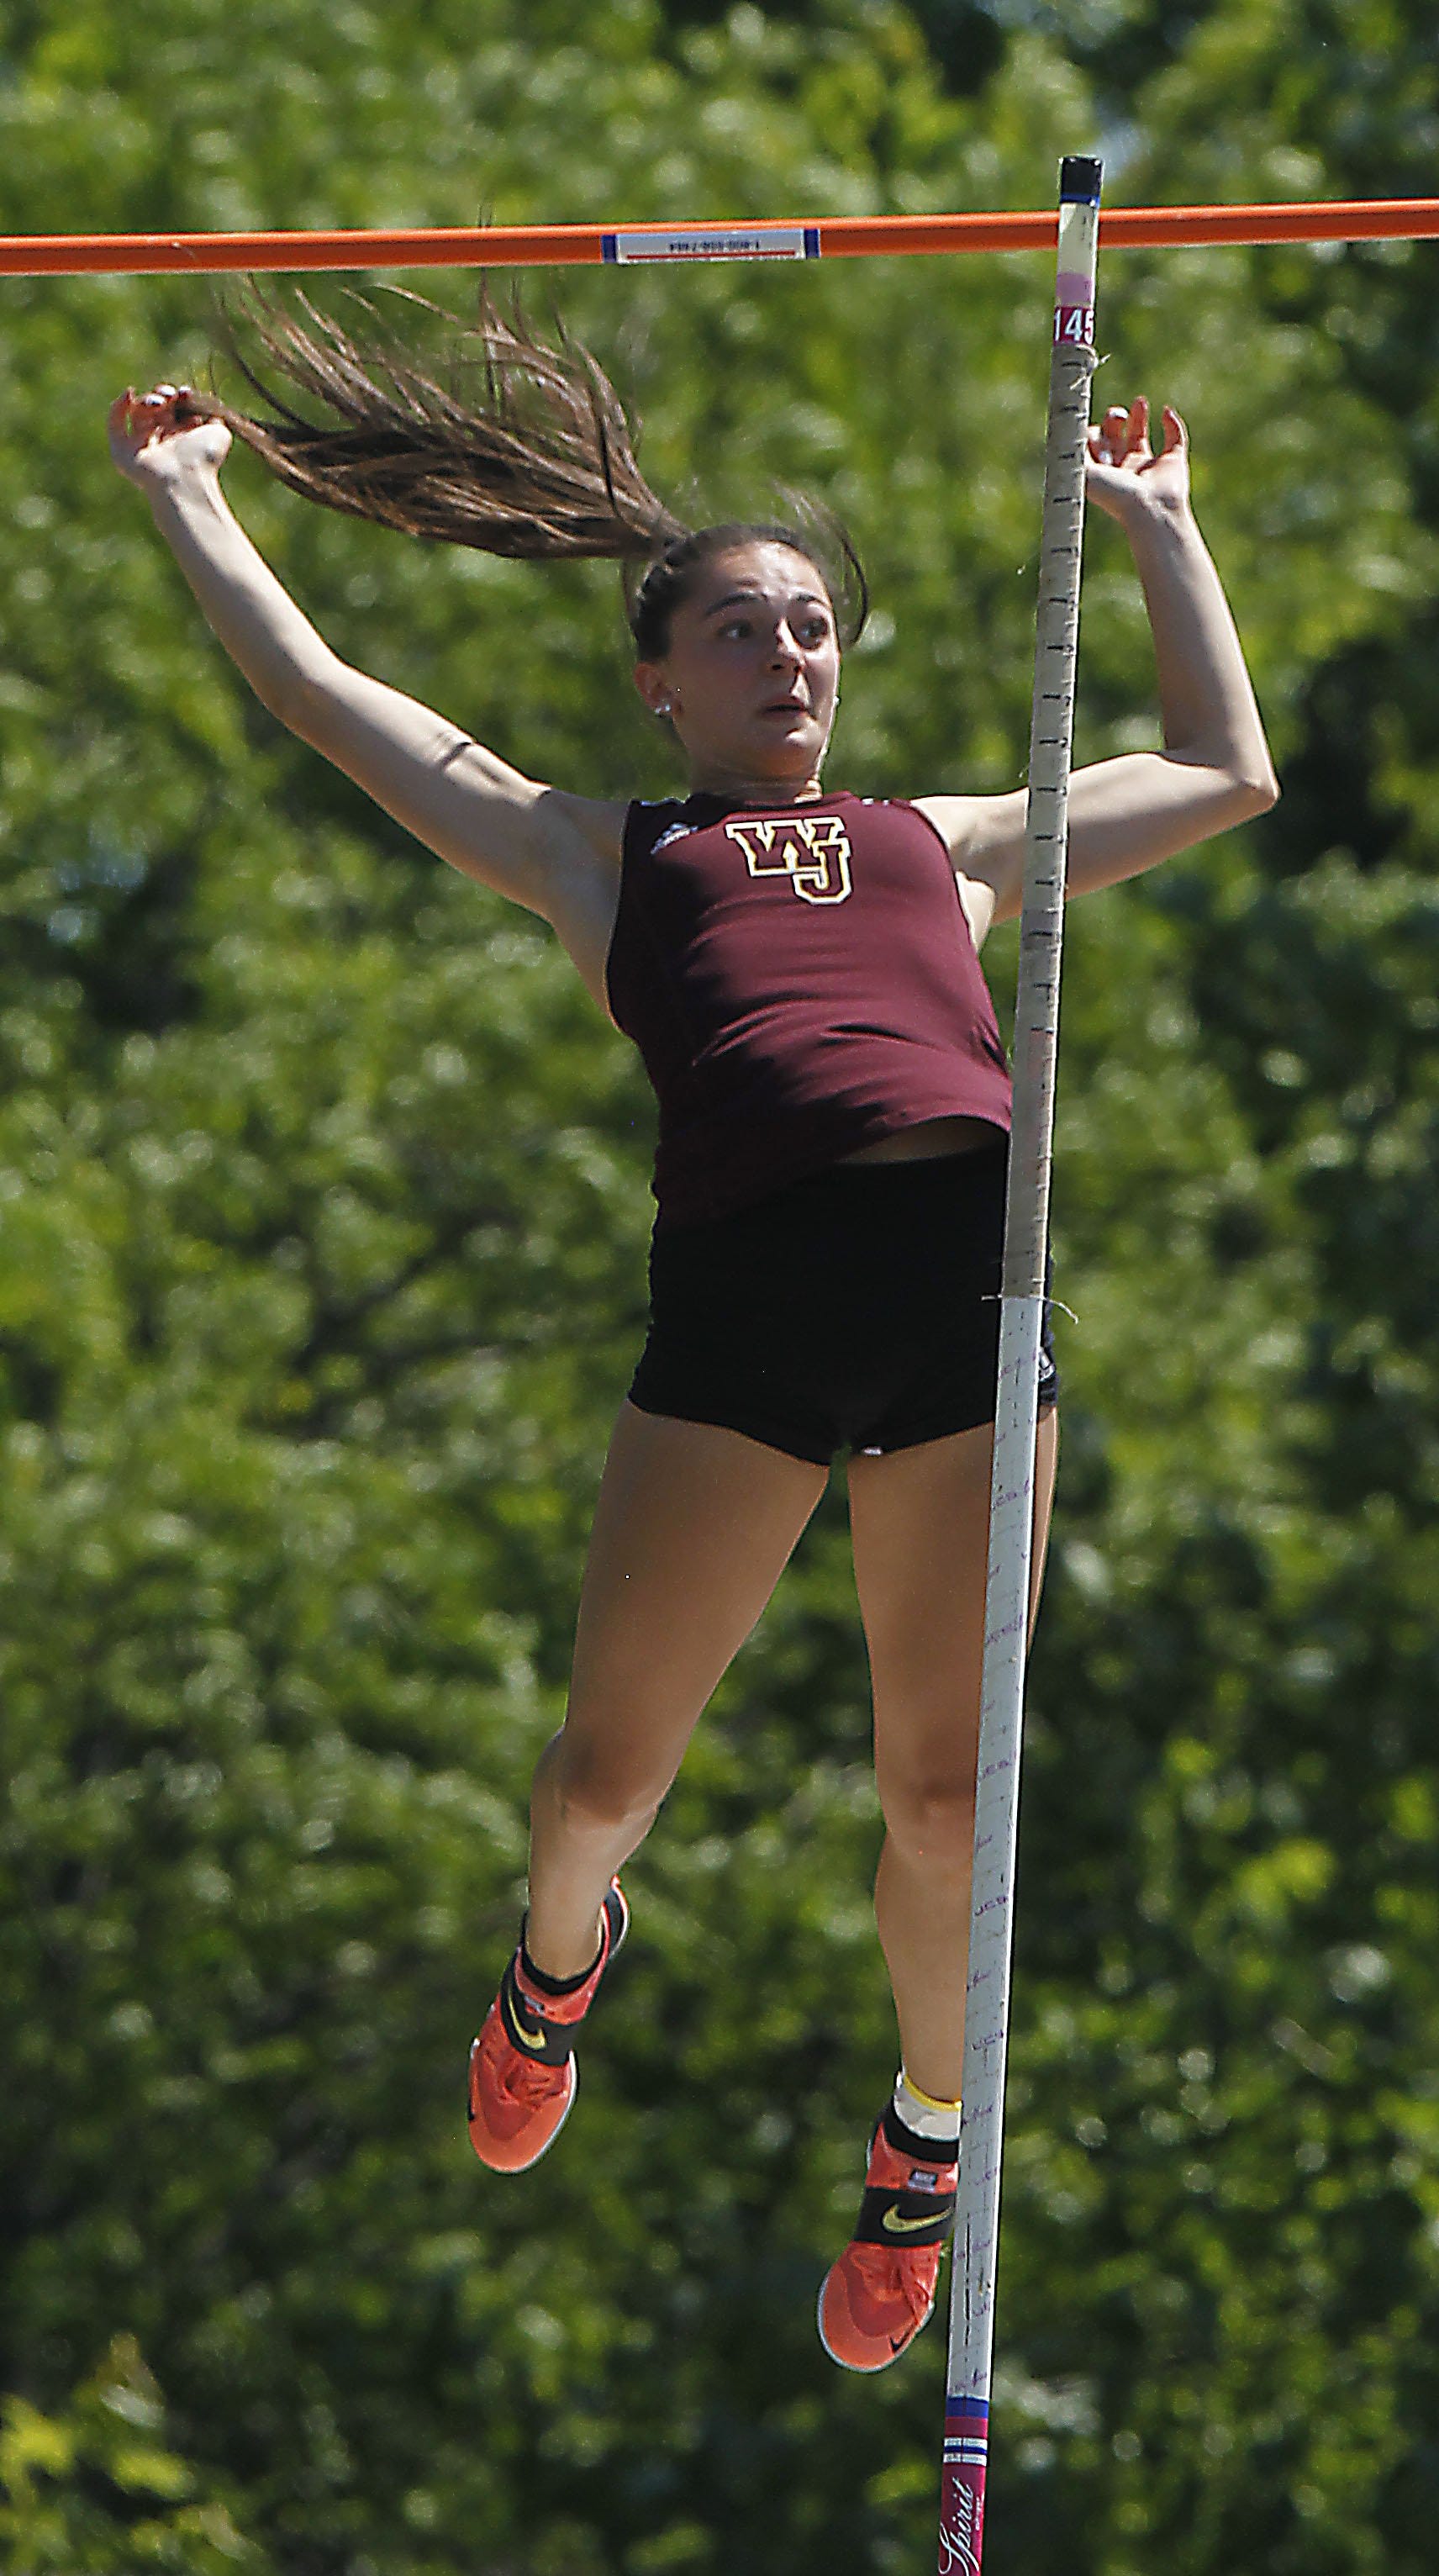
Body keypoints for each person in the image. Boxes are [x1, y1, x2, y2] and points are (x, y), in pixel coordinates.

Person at [109, 292, 1277, 2375]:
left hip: (961, 1319)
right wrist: (194, 493)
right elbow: (318, 691)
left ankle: (920, 2147)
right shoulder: (602, 853)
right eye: (740, 627)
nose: (788, 651)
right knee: (598, 1779)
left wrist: (1158, 519)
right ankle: (554, 1976)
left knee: (946, 1807)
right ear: (658, 681)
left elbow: (1225, 764)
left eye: (812, 622)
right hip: (740, 1325)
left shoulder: (959, 840)